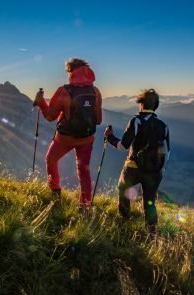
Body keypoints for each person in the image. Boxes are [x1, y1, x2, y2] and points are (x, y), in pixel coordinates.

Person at [33, 57, 102, 215]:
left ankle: (56, 192)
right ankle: (85, 206)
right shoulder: (95, 91)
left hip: (65, 138)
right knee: (84, 170)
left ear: (71, 72)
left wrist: (41, 102)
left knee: (51, 159)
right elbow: (98, 120)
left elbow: (50, 116)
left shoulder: (64, 91)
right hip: (87, 138)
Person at [104, 89, 170, 234]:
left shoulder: (136, 121)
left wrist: (110, 137)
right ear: (156, 106)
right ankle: (152, 234)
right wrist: (160, 170)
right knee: (150, 201)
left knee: (123, 189)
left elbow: (123, 146)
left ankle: (125, 224)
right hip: (155, 171)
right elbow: (167, 153)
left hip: (133, 167)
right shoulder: (163, 126)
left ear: (141, 104)